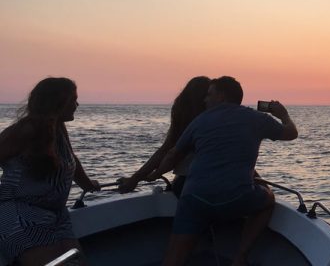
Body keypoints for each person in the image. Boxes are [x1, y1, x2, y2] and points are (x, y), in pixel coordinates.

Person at [147, 76, 298, 266]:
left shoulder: (199, 121)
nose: (205, 100)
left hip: (195, 199)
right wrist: (283, 115)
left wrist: (153, 175)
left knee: (173, 258)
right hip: (236, 198)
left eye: (209, 95)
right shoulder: (257, 118)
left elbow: (171, 156)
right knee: (268, 200)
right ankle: (241, 256)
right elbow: (292, 133)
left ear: (221, 96)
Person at [0, 77, 100, 265]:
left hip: (56, 215)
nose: (77, 105)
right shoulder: (25, 130)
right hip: (20, 214)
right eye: (73, 100)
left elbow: (72, 161)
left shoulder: (58, 128)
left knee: (76, 262)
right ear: (57, 102)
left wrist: (88, 184)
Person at [118, 76, 210, 196]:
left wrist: (137, 178)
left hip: (187, 183)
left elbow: (169, 152)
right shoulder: (218, 120)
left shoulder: (186, 120)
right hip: (219, 182)